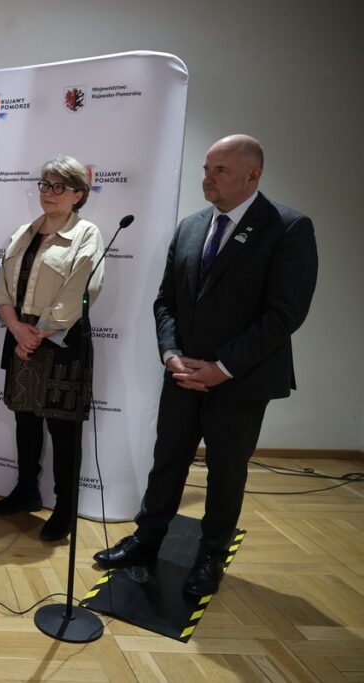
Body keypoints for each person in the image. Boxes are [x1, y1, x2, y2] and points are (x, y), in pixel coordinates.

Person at [93, 134, 318, 596]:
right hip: (182, 374)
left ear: (253, 174)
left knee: (226, 470)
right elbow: (165, 301)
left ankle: (210, 555)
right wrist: (171, 354)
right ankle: (148, 536)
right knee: (168, 460)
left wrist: (223, 367)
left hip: (241, 379)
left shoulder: (288, 228)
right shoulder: (192, 226)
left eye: (220, 171)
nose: (207, 179)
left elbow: (284, 314)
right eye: (205, 169)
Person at [0, 155, 104, 542]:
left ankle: (65, 509)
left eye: (59, 187)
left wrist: (35, 333)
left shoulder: (88, 234)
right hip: (21, 336)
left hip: (61, 342)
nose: (48, 193)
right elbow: (2, 288)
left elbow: (82, 290)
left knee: (64, 432)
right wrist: (18, 329)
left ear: (79, 194)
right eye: (44, 185)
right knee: (25, 421)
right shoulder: (24, 232)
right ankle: (25, 491)